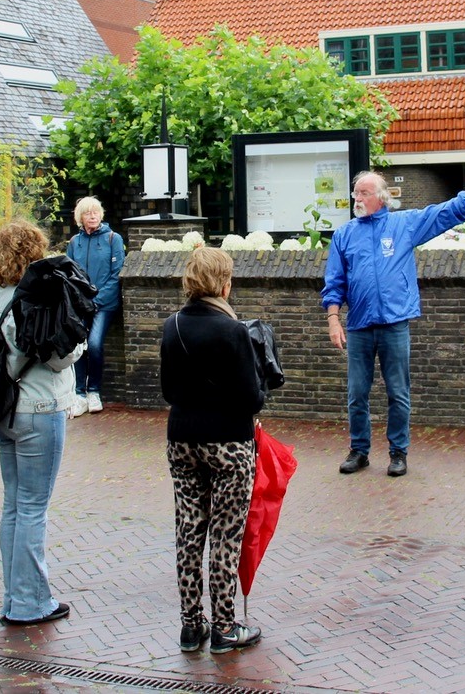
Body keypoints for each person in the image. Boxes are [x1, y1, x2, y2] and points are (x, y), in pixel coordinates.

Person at [323, 170, 465, 477]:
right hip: (358, 325)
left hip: (395, 324)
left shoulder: (404, 224)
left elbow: (445, 213)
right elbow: (334, 281)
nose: (357, 198)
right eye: (355, 193)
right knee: (357, 392)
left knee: (398, 392)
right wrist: (334, 319)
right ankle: (359, 450)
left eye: (364, 193)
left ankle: (399, 452)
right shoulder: (345, 234)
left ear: (381, 197)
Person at [160, 247, 265, 654]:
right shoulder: (233, 331)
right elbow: (252, 398)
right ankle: (224, 626)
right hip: (228, 443)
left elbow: (169, 390)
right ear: (224, 283)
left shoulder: (173, 326)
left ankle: (191, 626)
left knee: (189, 529)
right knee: (225, 533)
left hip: (182, 438)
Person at [0, 219, 82, 625]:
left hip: (2, 409)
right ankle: (30, 602)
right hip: (39, 407)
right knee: (32, 508)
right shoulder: (37, 300)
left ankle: (13, 597)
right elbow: (59, 356)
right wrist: (77, 346)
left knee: (13, 504)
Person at [65, 196, 125, 417]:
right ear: (80, 217)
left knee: (95, 343)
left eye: (96, 212)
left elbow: (116, 273)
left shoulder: (113, 239)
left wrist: (96, 300)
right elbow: (69, 273)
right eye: (88, 213)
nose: (93, 216)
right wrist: (80, 300)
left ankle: (94, 391)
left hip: (104, 304)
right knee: (79, 345)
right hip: (80, 304)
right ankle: (79, 393)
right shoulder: (74, 243)